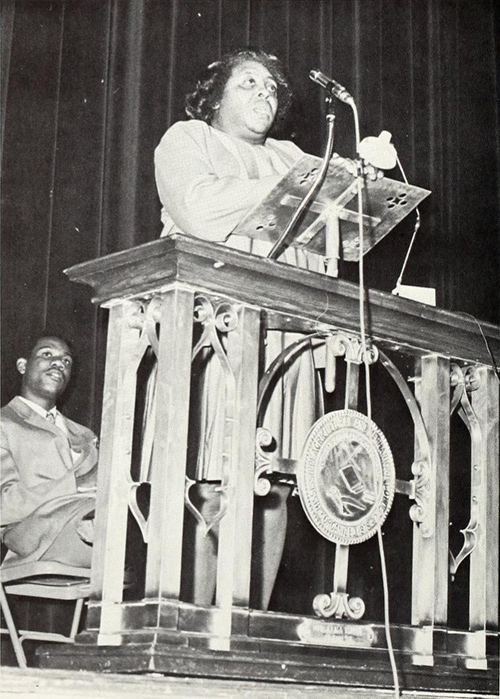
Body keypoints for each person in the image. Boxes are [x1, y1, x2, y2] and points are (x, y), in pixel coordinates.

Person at [154, 49, 350, 610]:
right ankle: (186, 623)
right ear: (215, 95)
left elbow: (340, 215)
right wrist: (297, 190)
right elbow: (197, 209)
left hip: (287, 342)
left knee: (276, 488)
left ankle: (248, 625)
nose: (266, 94)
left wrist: (361, 176)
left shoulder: (292, 155)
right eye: (249, 83)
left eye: (272, 88)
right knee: (214, 479)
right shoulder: (188, 140)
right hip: (216, 333)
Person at [1, 336, 98, 571]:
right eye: (47, 354)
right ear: (23, 365)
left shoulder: (85, 434)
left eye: (66, 361)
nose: (59, 363)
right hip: (39, 537)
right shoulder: (5, 423)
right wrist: (78, 484)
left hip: (91, 521)